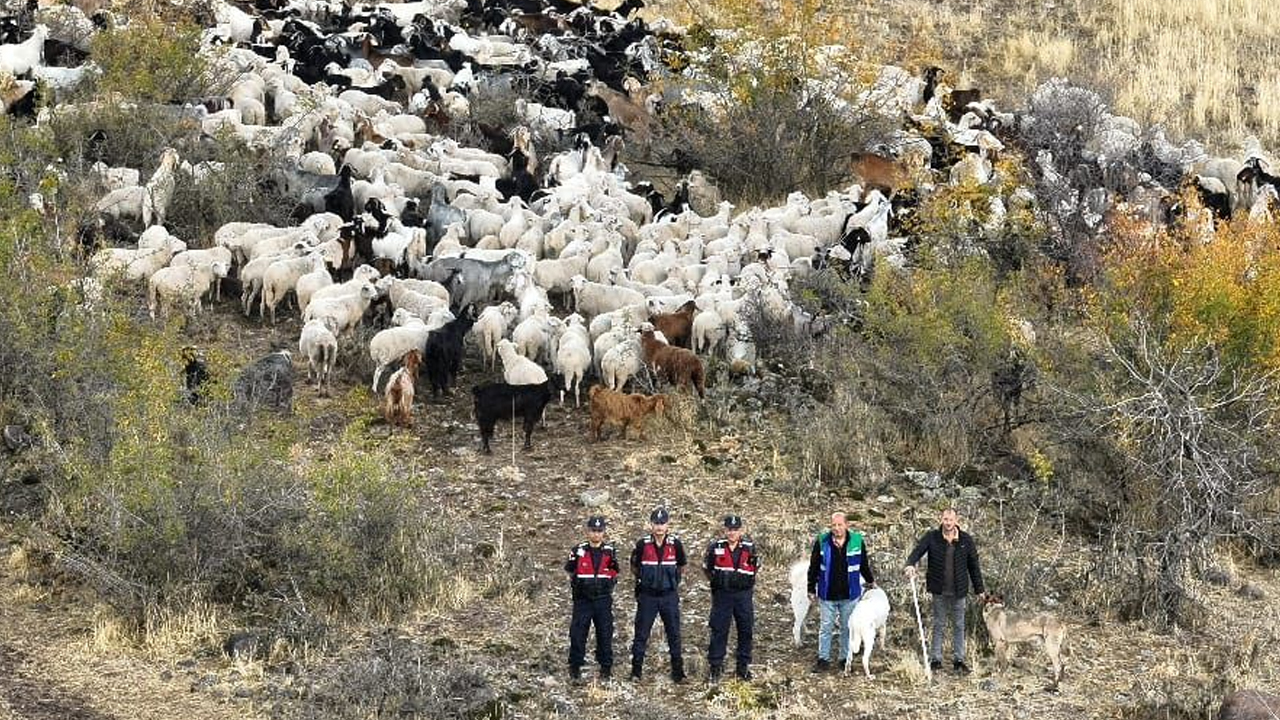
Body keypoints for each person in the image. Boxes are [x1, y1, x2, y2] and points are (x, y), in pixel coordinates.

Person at [904, 507, 986, 674]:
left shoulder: (966, 540)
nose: (948, 523)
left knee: (958, 625)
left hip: (959, 590)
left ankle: (959, 660)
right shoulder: (932, 537)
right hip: (939, 589)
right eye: (945, 519)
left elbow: (974, 566)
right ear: (941, 519)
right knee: (939, 624)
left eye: (951, 519)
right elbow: (917, 551)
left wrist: (980, 589)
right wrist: (910, 564)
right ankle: (936, 659)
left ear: (957, 520)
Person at [806, 511, 875, 673]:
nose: (836, 528)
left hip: (850, 594)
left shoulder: (857, 540)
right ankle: (823, 659)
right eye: (833, 525)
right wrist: (811, 588)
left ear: (846, 525)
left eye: (840, 525)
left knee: (847, 627)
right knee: (826, 627)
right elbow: (814, 566)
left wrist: (870, 581)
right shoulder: (822, 541)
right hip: (827, 593)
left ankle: (845, 659)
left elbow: (863, 563)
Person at [629, 506, 687, 683]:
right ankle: (636, 672)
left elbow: (682, 566)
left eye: (663, 523)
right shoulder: (642, 544)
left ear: (668, 525)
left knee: (674, 634)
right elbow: (634, 567)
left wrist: (672, 581)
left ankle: (678, 673)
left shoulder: (675, 544)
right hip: (648, 596)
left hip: (668, 596)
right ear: (650, 524)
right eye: (656, 523)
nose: (659, 527)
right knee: (641, 634)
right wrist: (646, 579)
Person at [703, 513, 759, 682]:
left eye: (735, 529)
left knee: (745, 630)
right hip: (723, 595)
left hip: (743, 596)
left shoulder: (750, 547)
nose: (732, 533)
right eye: (729, 529)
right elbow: (707, 568)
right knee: (719, 630)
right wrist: (718, 583)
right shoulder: (716, 546)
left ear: (741, 530)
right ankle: (715, 666)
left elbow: (755, 568)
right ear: (724, 530)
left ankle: (742, 667)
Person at [564, 515, 620, 682]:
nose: (596, 534)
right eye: (593, 530)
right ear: (587, 531)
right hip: (583, 600)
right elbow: (570, 570)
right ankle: (575, 667)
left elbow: (614, 570)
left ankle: (605, 667)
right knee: (578, 633)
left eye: (599, 531)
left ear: (604, 532)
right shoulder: (578, 550)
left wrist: (607, 583)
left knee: (605, 632)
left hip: (603, 599)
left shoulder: (610, 551)